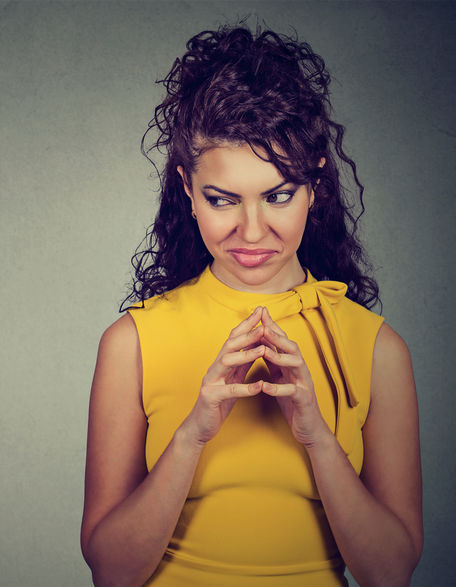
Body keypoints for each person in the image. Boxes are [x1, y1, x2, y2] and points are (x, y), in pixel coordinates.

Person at [80, 26, 422, 586]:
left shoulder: (378, 348)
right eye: (223, 200)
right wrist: (192, 433)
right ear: (187, 189)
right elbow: (110, 574)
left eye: (278, 195)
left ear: (316, 184)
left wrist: (315, 434)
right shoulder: (132, 343)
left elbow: (391, 574)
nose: (253, 231)